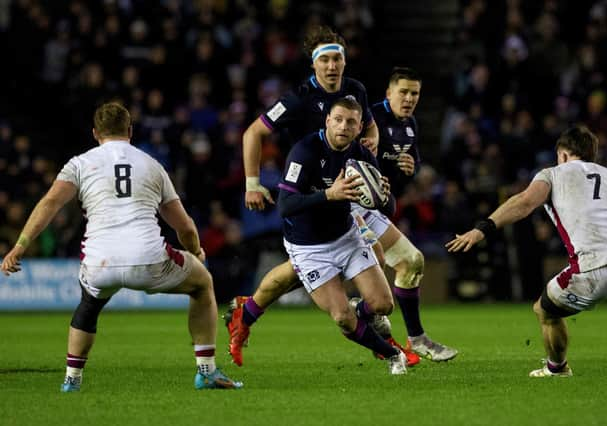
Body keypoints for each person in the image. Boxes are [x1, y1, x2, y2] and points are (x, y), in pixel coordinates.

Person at [0, 102, 242, 391]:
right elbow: (185, 227)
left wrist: (20, 245)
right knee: (202, 285)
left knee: (88, 306)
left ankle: (71, 381)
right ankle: (206, 371)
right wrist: (195, 254)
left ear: (95, 133)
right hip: (150, 259)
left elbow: (50, 203)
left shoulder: (79, 163)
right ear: (130, 130)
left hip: (100, 262)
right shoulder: (151, 164)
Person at [227, 25, 423, 367]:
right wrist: (252, 182)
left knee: (380, 256)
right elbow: (253, 132)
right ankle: (380, 338)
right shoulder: (298, 100)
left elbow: (369, 124)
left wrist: (373, 142)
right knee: (301, 270)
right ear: (314, 64)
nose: (332, 66)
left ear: (345, 62)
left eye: (338, 59)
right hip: (309, 196)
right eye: (326, 60)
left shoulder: (356, 91)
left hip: (347, 190)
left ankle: (372, 323)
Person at [445, 125, 607, 377]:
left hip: (593, 267)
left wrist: (482, 228)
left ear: (563, 155)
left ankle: (557, 368)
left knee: (544, 311)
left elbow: (525, 202)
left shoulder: (553, 173)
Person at [277, 97, 407, 374]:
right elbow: (284, 206)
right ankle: (393, 354)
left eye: (351, 122)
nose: (343, 126)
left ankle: (363, 313)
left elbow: (390, 207)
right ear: (327, 121)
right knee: (343, 319)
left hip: (346, 236)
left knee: (383, 305)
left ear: (360, 127)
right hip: (308, 247)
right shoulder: (305, 151)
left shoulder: (361, 155)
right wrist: (329, 194)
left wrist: (383, 195)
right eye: (338, 120)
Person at [352, 67, 457, 361]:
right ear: (388, 93)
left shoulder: (411, 125)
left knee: (412, 262)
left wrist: (408, 172)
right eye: (404, 92)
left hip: (372, 210)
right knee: (303, 274)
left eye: (415, 93)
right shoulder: (368, 119)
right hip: (346, 207)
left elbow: (399, 177)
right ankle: (250, 310)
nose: (409, 98)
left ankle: (416, 338)